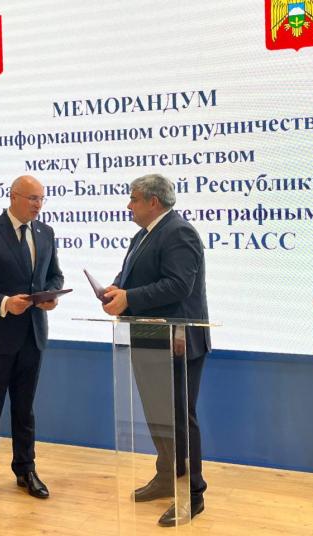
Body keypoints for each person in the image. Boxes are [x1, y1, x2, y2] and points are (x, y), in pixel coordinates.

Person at [103, 173, 211, 527]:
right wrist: (116, 290)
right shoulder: (143, 235)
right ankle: (166, 477)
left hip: (177, 342)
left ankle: (192, 493)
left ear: (153, 201)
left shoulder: (179, 232)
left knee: (179, 419)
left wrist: (129, 298)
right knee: (157, 417)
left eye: (133, 199)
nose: (128, 205)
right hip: (148, 338)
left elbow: (179, 286)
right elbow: (133, 279)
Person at [0, 175, 64, 512]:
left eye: (42, 199)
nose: (38, 205)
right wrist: (4, 303)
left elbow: (54, 275)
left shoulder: (45, 233)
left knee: (24, 409)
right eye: (33, 198)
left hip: (33, 335)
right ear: (13, 197)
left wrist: (51, 296)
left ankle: (25, 470)